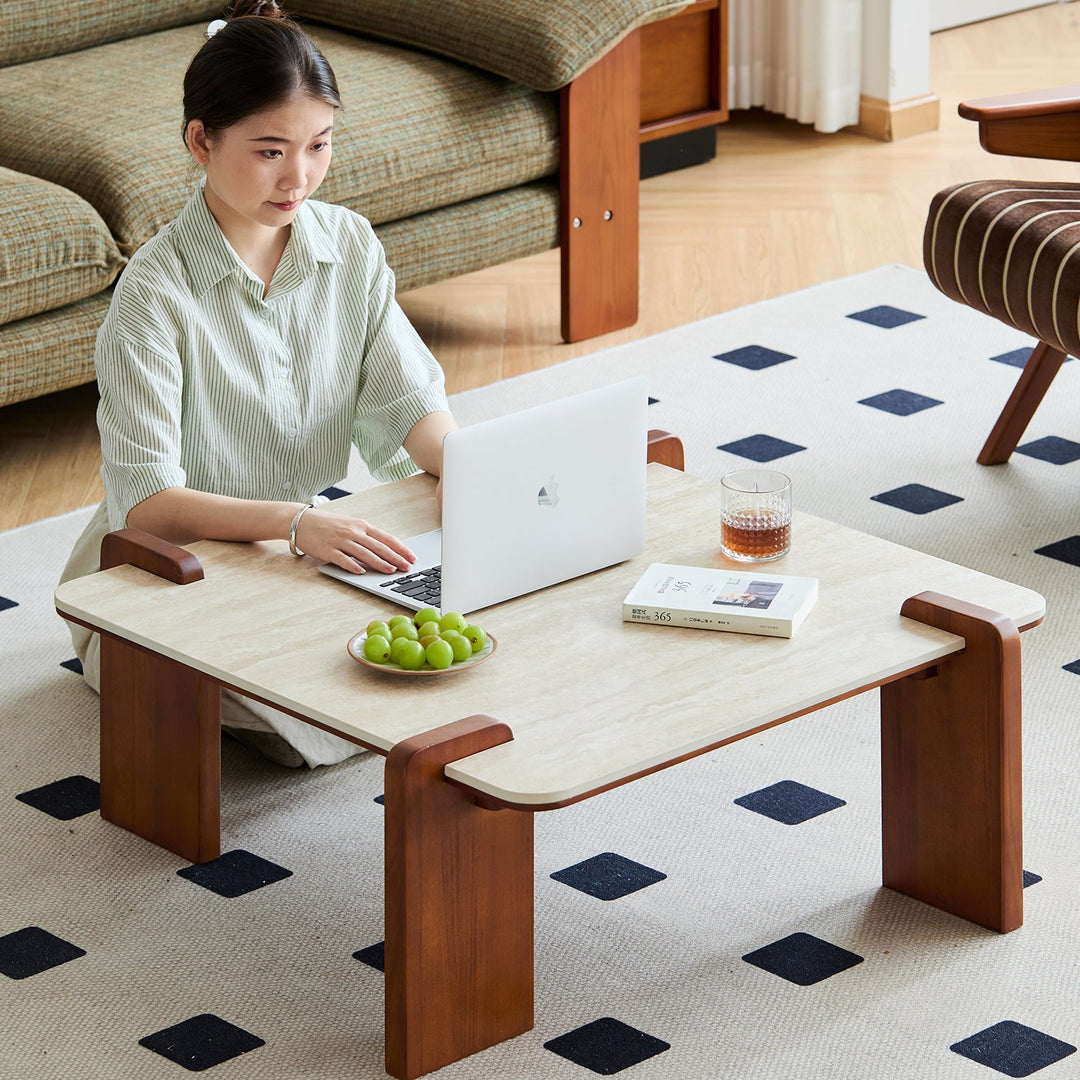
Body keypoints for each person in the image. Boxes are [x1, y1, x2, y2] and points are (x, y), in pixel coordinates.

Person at [60, 0, 457, 767]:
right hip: (160, 578)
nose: (298, 176)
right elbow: (148, 505)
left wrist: (470, 468)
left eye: (319, 145)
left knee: (442, 636)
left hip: (293, 562)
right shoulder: (153, 292)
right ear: (201, 141)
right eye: (271, 150)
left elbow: (410, 405)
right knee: (327, 708)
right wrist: (298, 524)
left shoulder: (348, 244)